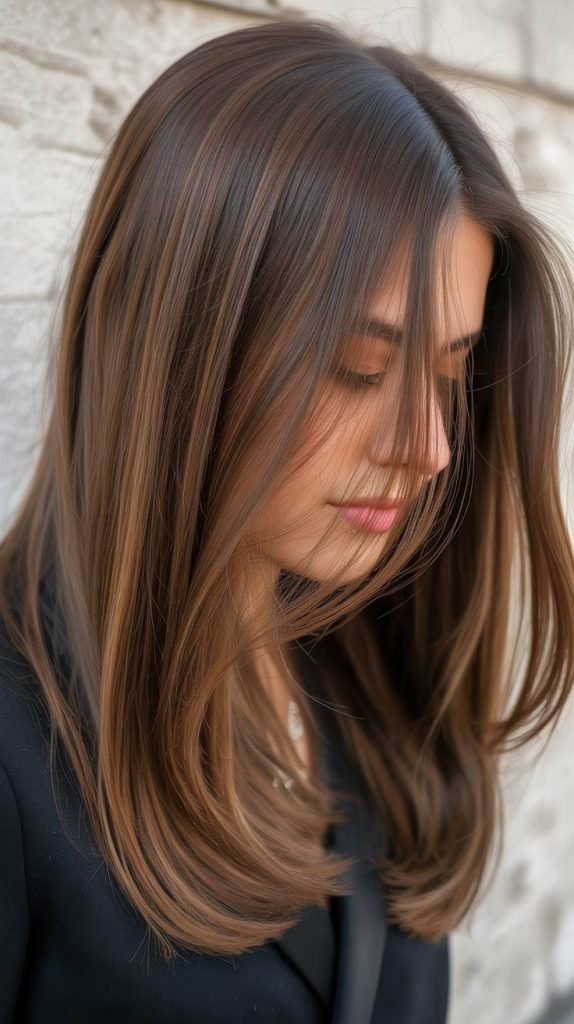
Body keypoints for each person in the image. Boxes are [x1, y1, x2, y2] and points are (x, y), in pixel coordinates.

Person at [0, 17, 573, 1024]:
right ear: (174, 337)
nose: (430, 447)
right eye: (359, 367)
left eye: (451, 376)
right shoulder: (16, 752)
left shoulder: (373, 678)